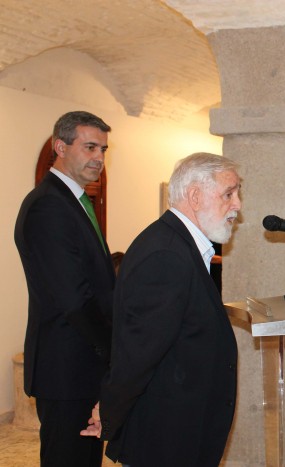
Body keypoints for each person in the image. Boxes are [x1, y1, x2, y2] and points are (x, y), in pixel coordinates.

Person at [81, 153, 241, 466]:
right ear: (195, 196)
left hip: (182, 427)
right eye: (228, 194)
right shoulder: (166, 254)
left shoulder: (179, 245)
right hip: (166, 436)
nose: (237, 205)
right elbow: (139, 352)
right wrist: (110, 412)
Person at [14, 111, 114, 467]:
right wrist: (114, 346)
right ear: (60, 146)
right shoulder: (48, 207)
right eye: (89, 147)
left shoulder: (73, 202)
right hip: (66, 368)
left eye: (103, 148)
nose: (99, 157)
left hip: (82, 364)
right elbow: (74, 298)